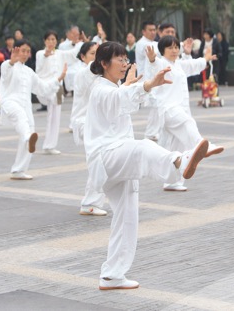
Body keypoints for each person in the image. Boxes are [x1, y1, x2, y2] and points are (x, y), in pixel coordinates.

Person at [85, 42, 210, 290]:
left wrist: (138, 86)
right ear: (103, 64)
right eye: (119, 59)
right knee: (143, 148)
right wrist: (147, 84)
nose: (124, 63)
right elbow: (119, 99)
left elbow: (125, 99)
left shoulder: (115, 87)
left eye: (125, 59)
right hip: (106, 157)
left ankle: (112, 275)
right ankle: (179, 161)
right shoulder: (100, 88)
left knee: (127, 216)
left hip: (118, 157)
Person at [146, 35, 224, 192]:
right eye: (170, 48)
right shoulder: (162, 63)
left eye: (176, 47)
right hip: (168, 109)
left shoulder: (179, 65)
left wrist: (205, 58)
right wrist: (153, 59)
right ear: (163, 51)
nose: (174, 50)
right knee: (188, 123)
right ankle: (202, 146)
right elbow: (154, 67)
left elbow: (193, 65)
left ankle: (172, 181)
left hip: (179, 108)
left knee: (177, 146)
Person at [0, 39, 66, 180]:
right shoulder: (8, 66)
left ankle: (18, 170)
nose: (25, 54)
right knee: (23, 123)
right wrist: (11, 61)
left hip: (26, 106)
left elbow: (42, 88)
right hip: (10, 102)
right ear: (16, 50)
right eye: (22, 50)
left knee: (29, 127)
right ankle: (28, 137)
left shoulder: (29, 72)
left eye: (27, 51)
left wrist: (58, 79)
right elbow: (5, 73)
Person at [69, 42, 107, 215]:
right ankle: (90, 203)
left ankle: (92, 201)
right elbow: (89, 73)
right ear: (83, 57)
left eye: (98, 53)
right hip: (84, 123)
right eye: (93, 53)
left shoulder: (103, 76)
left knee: (103, 160)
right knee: (98, 159)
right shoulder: (81, 74)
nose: (96, 57)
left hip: (100, 125)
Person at [35, 30, 81, 154]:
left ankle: (50, 145)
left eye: (53, 40)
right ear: (44, 41)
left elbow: (73, 54)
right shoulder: (40, 53)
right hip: (45, 86)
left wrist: (80, 43)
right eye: (48, 39)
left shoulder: (60, 54)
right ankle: (47, 144)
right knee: (50, 117)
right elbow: (40, 63)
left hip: (58, 89)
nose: (51, 42)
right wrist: (46, 54)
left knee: (55, 116)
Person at [134, 21, 161, 141]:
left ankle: (153, 131)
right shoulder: (142, 44)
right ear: (143, 32)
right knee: (155, 104)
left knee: (157, 105)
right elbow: (157, 48)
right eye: (150, 30)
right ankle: (151, 132)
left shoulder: (151, 43)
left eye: (154, 30)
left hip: (152, 78)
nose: (153, 32)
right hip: (145, 79)